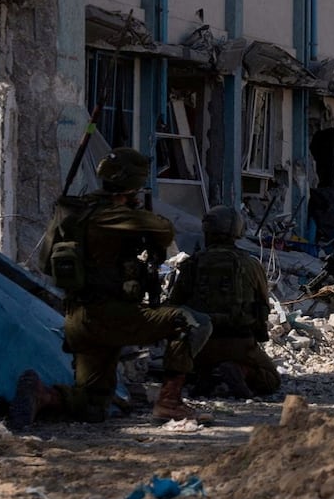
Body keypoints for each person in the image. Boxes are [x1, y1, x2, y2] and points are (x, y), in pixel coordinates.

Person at [12, 147, 213, 428]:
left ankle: (43, 396)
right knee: (192, 322)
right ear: (132, 185)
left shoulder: (77, 210)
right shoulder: (112, 215)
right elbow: (164, 230)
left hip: (79, 319)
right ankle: (169, 401)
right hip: (111, 316)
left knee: (93, 406)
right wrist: (135, 209)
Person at [170, 205, 280, 399]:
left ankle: (205, 374)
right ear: (237, 231)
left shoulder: (192, 263)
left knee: (188, 367)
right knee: (270, 380)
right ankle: (240, 371)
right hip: (239, 342)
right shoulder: (251, 264)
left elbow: (175, 305)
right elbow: (262, 305)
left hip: (200, 346)